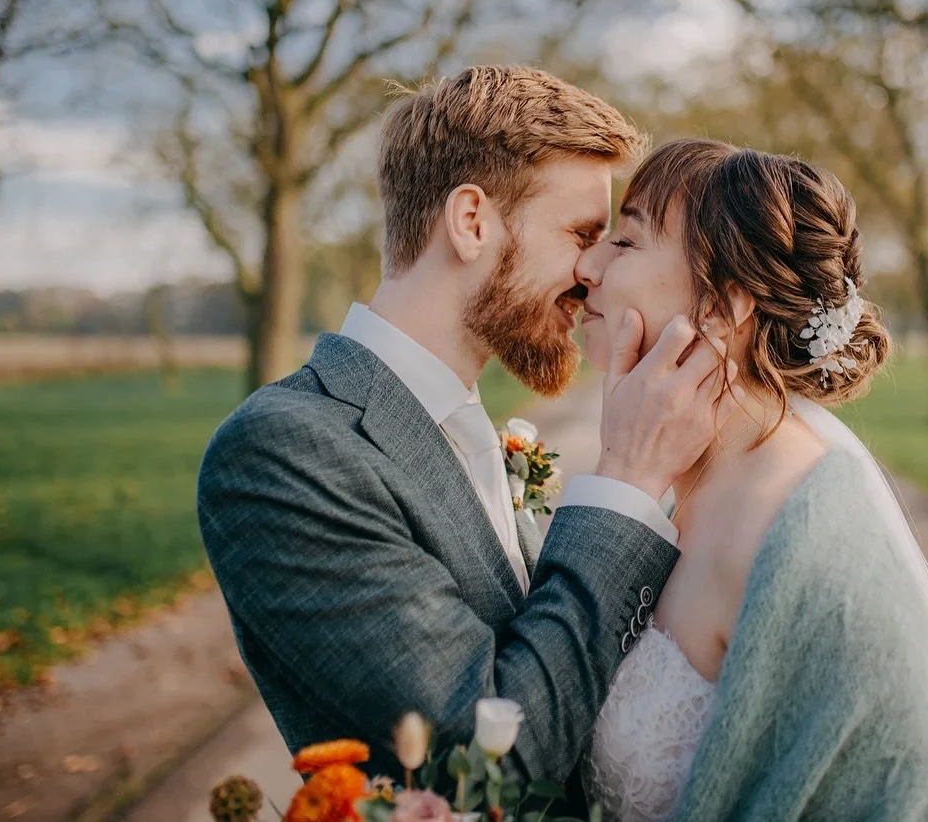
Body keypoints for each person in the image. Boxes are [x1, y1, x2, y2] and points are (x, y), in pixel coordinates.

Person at [196, 69, 734, 800]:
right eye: (581, 234)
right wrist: (628, 483)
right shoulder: (284, 452)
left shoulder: (463, 418)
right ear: (471, 221)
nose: (593, 270)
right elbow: (486, 768)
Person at [578, 139, 928, 822]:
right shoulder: (687, 479)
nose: (588, 265)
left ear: (722, 307)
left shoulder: (803, 543)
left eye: (625, 241)